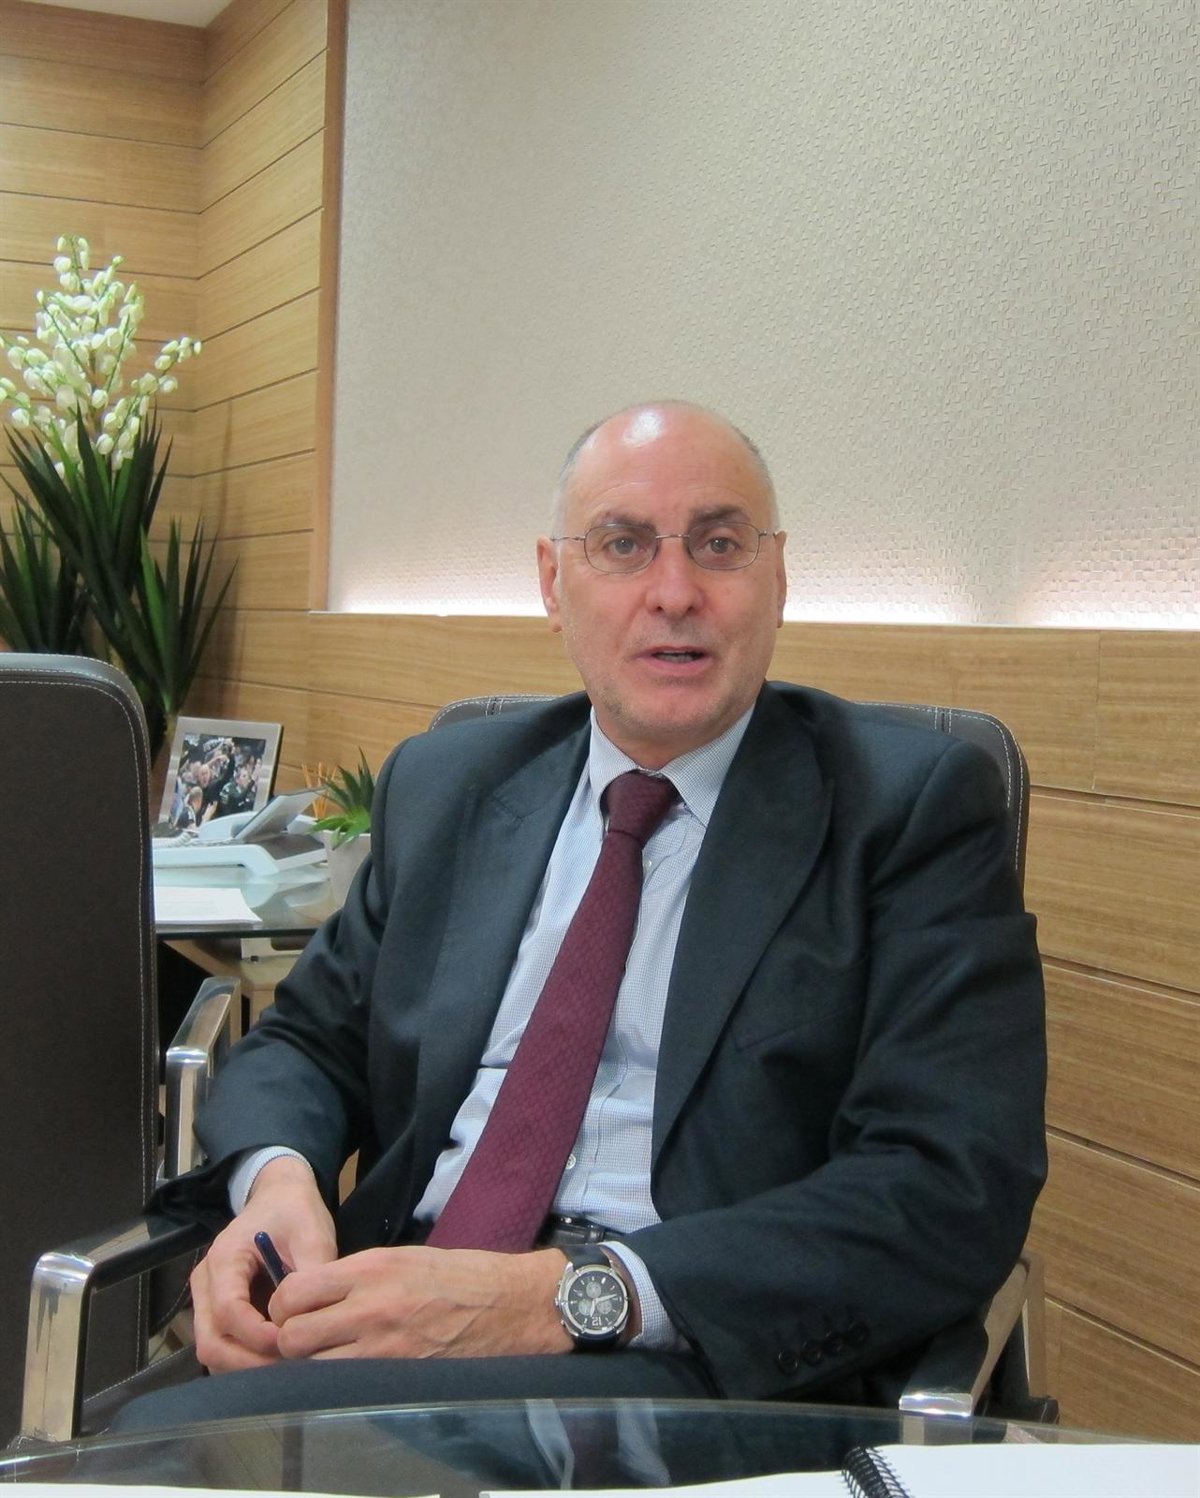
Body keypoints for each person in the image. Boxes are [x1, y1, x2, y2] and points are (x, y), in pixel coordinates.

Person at [136, 400, 1046, 1425]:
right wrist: (277, 1187)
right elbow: (304, 1041)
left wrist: (563, 1298)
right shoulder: (451, 786)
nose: (675, 592)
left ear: (779, 578)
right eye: (622, 544)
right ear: (551, 582)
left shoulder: (908, 808)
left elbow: (947, 1182)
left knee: (157, 1450)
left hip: (695, 1371)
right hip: (388, 1310)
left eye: (720, 544)